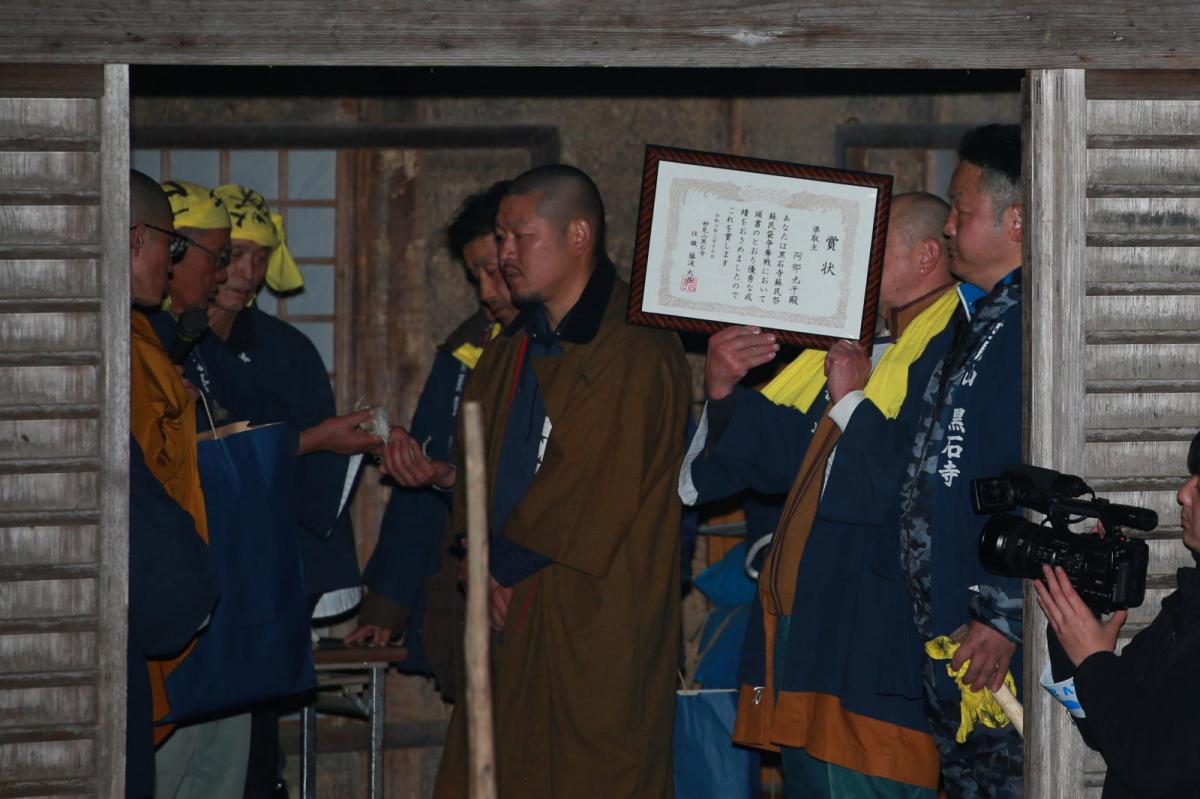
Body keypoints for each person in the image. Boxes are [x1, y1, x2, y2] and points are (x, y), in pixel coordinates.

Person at [681, 193, 960, 797]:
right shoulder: (853, 346)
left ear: (926, 255)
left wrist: (852, 401)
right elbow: (776, 453)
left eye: (873, 249)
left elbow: (914, 484)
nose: (854, 265)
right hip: (809, 619)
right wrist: (723, 386)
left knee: (861, 779)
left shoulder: (958, 346)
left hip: (875, 626)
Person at [427, 165, 691, 798]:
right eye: (501, 238)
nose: (505, 254)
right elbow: (476, 466)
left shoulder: (634, 345)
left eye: (520, 236)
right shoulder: (509, 347)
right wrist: (474, 554)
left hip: (592, 609)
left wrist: (498, 565)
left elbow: (592, 479)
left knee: (590, 772)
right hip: (506, 601)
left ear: (578, 236)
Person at [205, 183, 381, 799]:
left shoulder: (287, 352)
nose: (248, 272)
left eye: (261, 257)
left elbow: (315, 477)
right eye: (234, 254)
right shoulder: (164, 342)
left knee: (252, 747)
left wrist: (311, 584)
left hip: (264, 567)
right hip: (189, 564)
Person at [348, 180, 518, 699]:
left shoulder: (583, 349)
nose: (486, 292)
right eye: (475, 277)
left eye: (496, 273)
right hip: (467, 592)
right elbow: (419, 489)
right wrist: (388, 604)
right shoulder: (468, 349)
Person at [897, 124, 1025, 797]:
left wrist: (1004, 612)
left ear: (1016, 220)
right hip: (950, 630)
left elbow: (1039, 475)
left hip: (992, 639)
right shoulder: (979, 317)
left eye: (961, 210)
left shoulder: (1034, 321)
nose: (948, 226)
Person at [1035, 431, 1200, 798]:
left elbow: (1160, 766)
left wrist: (1094, 660)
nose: (1183, 494)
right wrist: (1079, 613)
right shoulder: (1186, 605)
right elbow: (1105, 727)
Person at [126, 170, 219, 799]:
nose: (173, 260)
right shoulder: (113, 345)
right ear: (138, 239)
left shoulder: (141, 337)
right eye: (172, 244)